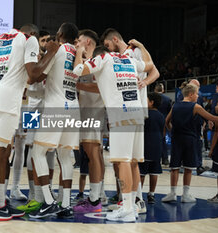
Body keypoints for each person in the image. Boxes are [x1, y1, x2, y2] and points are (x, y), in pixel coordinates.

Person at [0, 24, 58, 221]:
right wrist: (51, 53)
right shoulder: (27, 39)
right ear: (34, 36)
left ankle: (0, 202)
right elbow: (34, 74)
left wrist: (8, 69)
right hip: (12, 102)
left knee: (6, 151)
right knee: (3, 150)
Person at [73, 39, 155, 222]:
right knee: (133, 162)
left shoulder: (103, 58)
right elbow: (150, 65)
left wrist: (79, 51)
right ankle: (132, 206)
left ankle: (126, 208)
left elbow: (77, 71)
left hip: (121, 114)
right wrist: (141, 45)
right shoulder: (129, 59)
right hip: (137, 114)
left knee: (123, 161)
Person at [101, 28, 160, 214]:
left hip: (133, 109)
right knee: (126, 161)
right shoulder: (119, 57)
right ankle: (129, 200)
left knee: (127, 160)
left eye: (108, 45)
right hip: (129, 110)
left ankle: (134, 201)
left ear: (115, 39)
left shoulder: (132, 51)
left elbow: (154, 70)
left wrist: (145, 83)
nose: (108, 49)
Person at [27, 22, 79, 219]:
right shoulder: (77, 52)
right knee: (65, 158)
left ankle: (48, 202)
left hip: (56, 107)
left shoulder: (56, 50)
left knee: (37, 152)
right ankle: (65, 204)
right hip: (74, 107)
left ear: (59, 34)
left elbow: (37, 75)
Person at [162, 84, 218, 203]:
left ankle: (172, 193)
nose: (198, 96)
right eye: (197, 94)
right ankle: (185, 195)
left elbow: (167, 121)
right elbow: (211, 117)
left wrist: (172, 131)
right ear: (191, 94)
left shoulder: (175, 105)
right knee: (188, 168)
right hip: (190, 139)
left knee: (174, 167)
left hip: (177, 139)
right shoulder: (195, 106)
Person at [72, 29, 106, 213]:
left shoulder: (97, 61)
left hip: (93, 113)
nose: (76, 43)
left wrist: (75, 84)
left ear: (87, 42)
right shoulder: (90, 62)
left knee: (93, 154)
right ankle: (96, 196)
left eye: (79, 41)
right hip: (89, 112)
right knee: (96, 155)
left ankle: (94, 201)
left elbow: (100, 87)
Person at [139, 92, 165, 204]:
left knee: (142, 172)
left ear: (151, 102)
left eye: (146, 100)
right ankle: (151, 194)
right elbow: (163, 132)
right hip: (157, 146)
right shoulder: (161, 115)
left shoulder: (145, 115)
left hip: (145, 146)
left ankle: (138, 195)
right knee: (154, 172)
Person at [154, 83, 172, 165]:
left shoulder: (152, 98)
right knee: (163, 139)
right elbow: (170, 112)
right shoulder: (168, 99)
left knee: (153, 139)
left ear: (155, 89)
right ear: (163, 90)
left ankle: (155, 158)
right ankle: (165, 159)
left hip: (153, 121)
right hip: (164, 121)